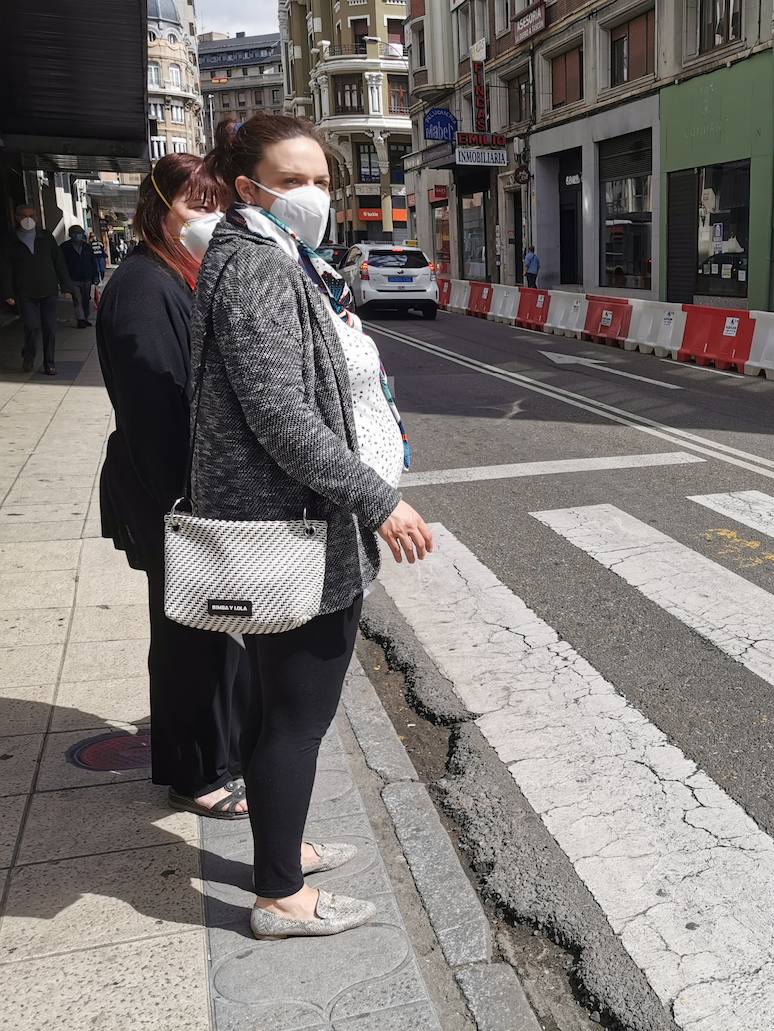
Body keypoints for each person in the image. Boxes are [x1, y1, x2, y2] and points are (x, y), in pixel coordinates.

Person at [199, 114, 431, 940]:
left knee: (279, 710)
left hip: (303, 523)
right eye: (292, 180)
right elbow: (282, 417)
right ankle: (280, 898)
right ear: (247, 187)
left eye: (322, 180)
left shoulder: (274, 257)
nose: (313, 195)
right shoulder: (259, 268)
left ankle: (281, 851)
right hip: (298, 530)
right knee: (296, 715)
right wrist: (379, 499)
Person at [95, 153, 253, 822]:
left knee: (203, 632)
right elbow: (156, 414)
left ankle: (212, 753)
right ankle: (197, 773)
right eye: (195, 205)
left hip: (184, 494)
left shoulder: (177, 277)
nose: (209, 219)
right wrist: (192, 509)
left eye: (218, 205)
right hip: (172, 498)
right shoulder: (142, 289)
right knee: (190, 636)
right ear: (159, 209)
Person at [1, 205, 76, 374]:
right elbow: (5, 268)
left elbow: (59, 263)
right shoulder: (10, 240)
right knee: (32, 326)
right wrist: (8, 293)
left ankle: (49, 362)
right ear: (16, 217)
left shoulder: (46, 237)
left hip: (48, 290)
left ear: (36, 217)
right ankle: (29, 355)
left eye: (31, 215)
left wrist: (66, 287)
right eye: (24, 215)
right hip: (25, 292)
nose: (28, 219)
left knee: (50, 328)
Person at [61, 226, 102, 328]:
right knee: (77, 299)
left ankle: (85, 318)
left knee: (86, 299)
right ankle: (81, 319)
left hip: (87, 278)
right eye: (74, 233)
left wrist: (96, 276)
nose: (77, 235)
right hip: (73, 279)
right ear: (70, 235)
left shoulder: (87, 247)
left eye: (79, 233)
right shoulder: (64, 247)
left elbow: (93, 263)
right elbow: (62, 265)